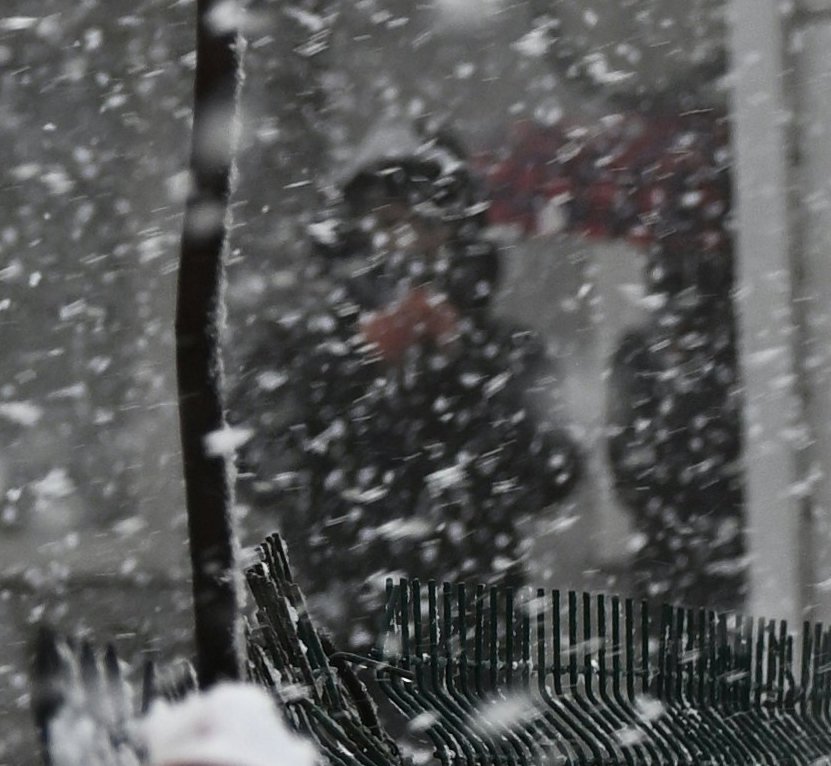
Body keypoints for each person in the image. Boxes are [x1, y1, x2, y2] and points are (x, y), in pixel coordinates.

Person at [244, 131, 582, 619]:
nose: (406, 243)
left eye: (426, 223)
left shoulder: (508, 350)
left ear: (456, 233)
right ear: (354, 233)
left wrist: (462, 364)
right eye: (386, 222)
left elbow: (553, 474)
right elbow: (258, 467)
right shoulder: (296, 346)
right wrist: (356, 365)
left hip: (473, 627)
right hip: (333, 621)